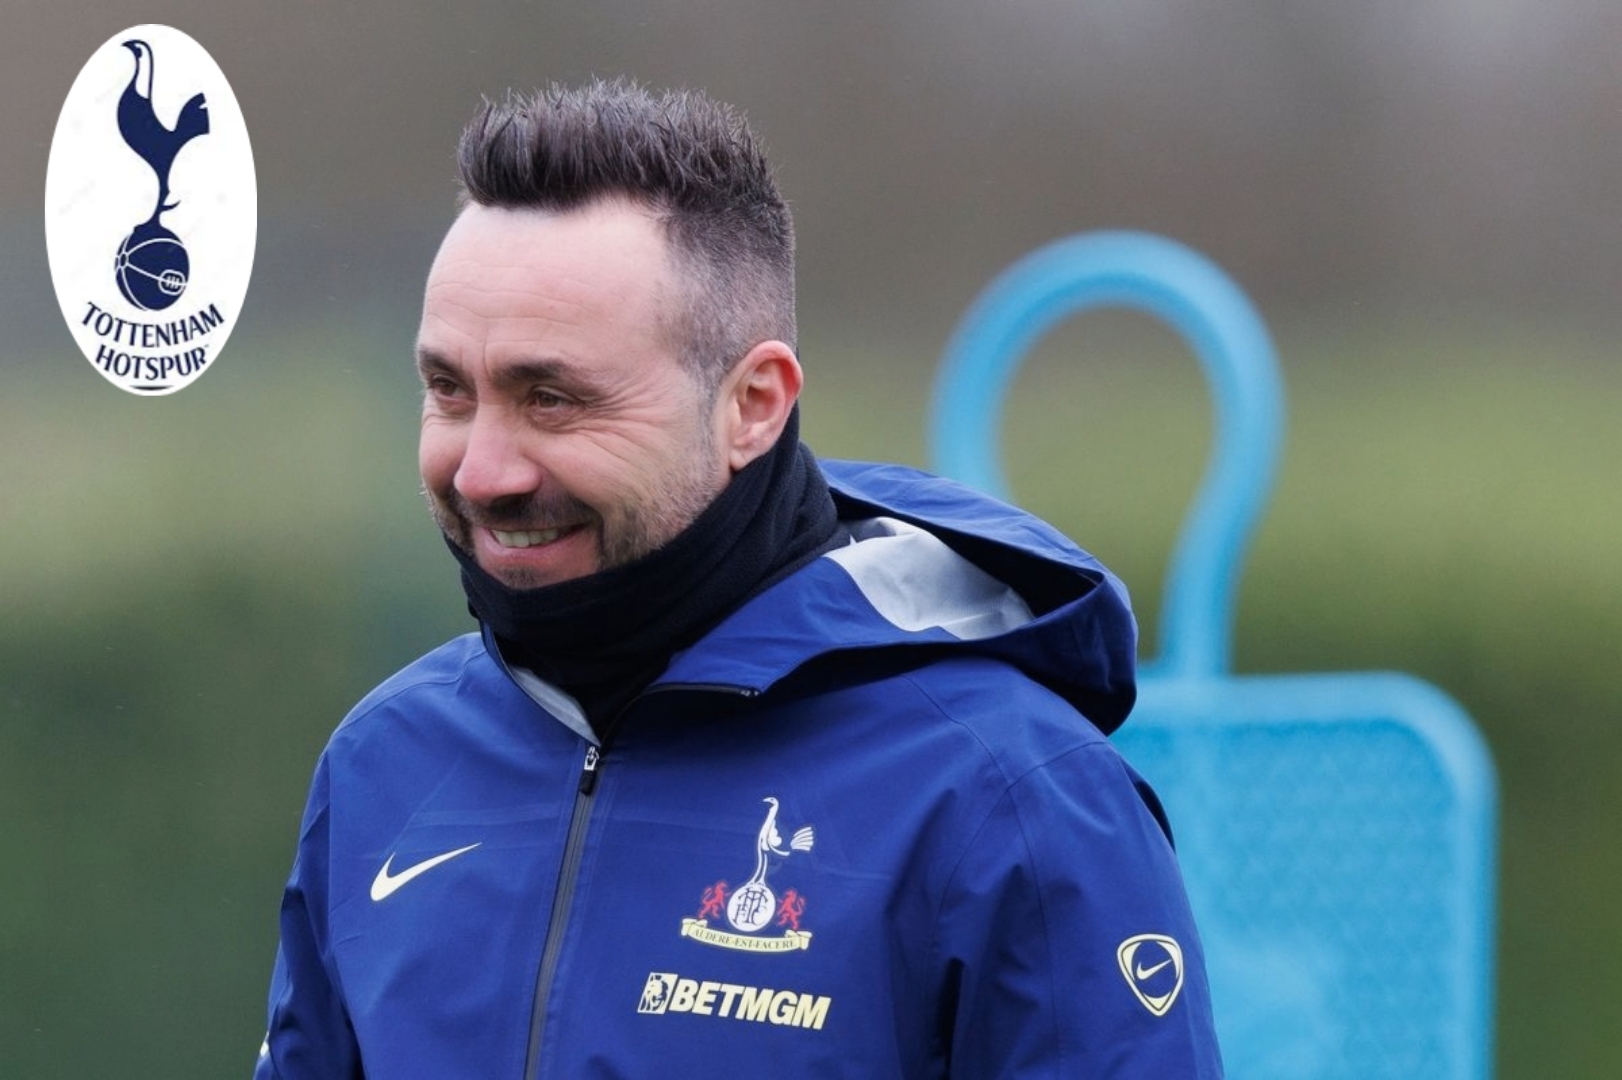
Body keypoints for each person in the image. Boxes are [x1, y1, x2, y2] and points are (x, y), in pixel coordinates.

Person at [254, 78, 1223, 1079]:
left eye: (551, 399)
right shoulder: (385, 764)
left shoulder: (1009, 795)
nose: (481, 472)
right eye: (449, 391)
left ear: (753, 404)